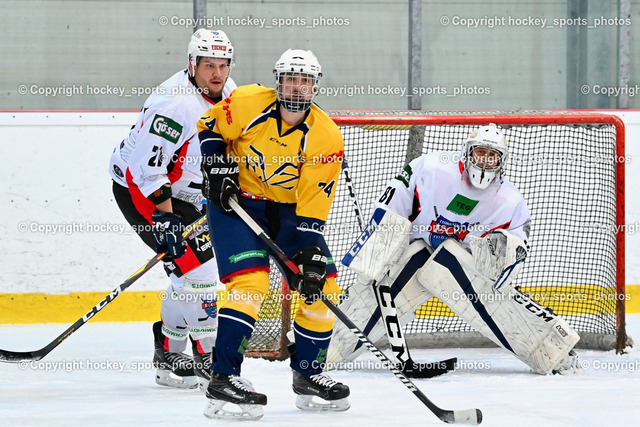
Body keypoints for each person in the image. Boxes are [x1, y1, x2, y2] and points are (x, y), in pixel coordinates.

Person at [331, 124, 580, 375]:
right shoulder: (431, 168)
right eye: (480, 152)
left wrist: (502, 254)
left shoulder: (510, 201)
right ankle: (321, 349)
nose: (485, 161)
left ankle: (553, 353)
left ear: (502, 161)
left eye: (492, 156)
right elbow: (393, 204)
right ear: (467, 152)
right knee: (368, 298)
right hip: (414, 252)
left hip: (462, 265)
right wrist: (377, 251)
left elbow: (515, 248)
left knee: (490, 294)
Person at [197, 49, 349, 421]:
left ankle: (308, 374)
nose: (297, 87)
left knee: (324, 286)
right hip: (238, 205)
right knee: (250, 285)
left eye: (305, 80)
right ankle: (223, 376)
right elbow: (210, 125)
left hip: (289, 214)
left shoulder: (326, 136)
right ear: (278, 82)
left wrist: (309, 254)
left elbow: (313, 202)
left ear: (315, 86)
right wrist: (216, 166)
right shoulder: (248, 102)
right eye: (290, 79)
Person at [108, 29, 237, 389]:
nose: (217, 73)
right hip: (142, 189)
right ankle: (209, 358)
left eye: (223, 65)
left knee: (189, 272)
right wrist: (165, 218)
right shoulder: (174, 105)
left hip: (185, 193)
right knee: (200, 271)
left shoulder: (227, 91)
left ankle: (168, 352)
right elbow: (145, 170)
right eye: (208, 65)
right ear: (192, 64)